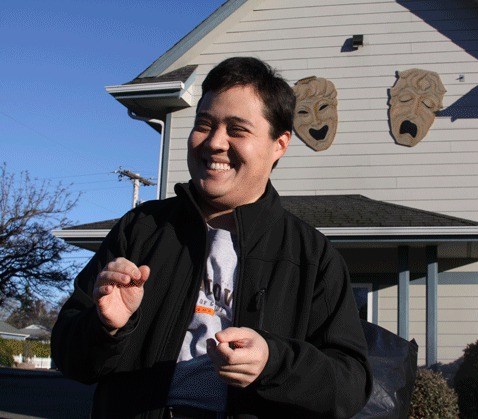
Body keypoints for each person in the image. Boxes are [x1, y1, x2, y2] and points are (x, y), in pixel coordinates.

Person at [51, 56, 371, 418]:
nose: (215, 142)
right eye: (204, 124)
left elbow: (349, 385)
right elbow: (69, 357)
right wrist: (107, 327)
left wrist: (273, 362)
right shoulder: (142, 229)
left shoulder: (312, 256)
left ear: (279, 145)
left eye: (237, 129)